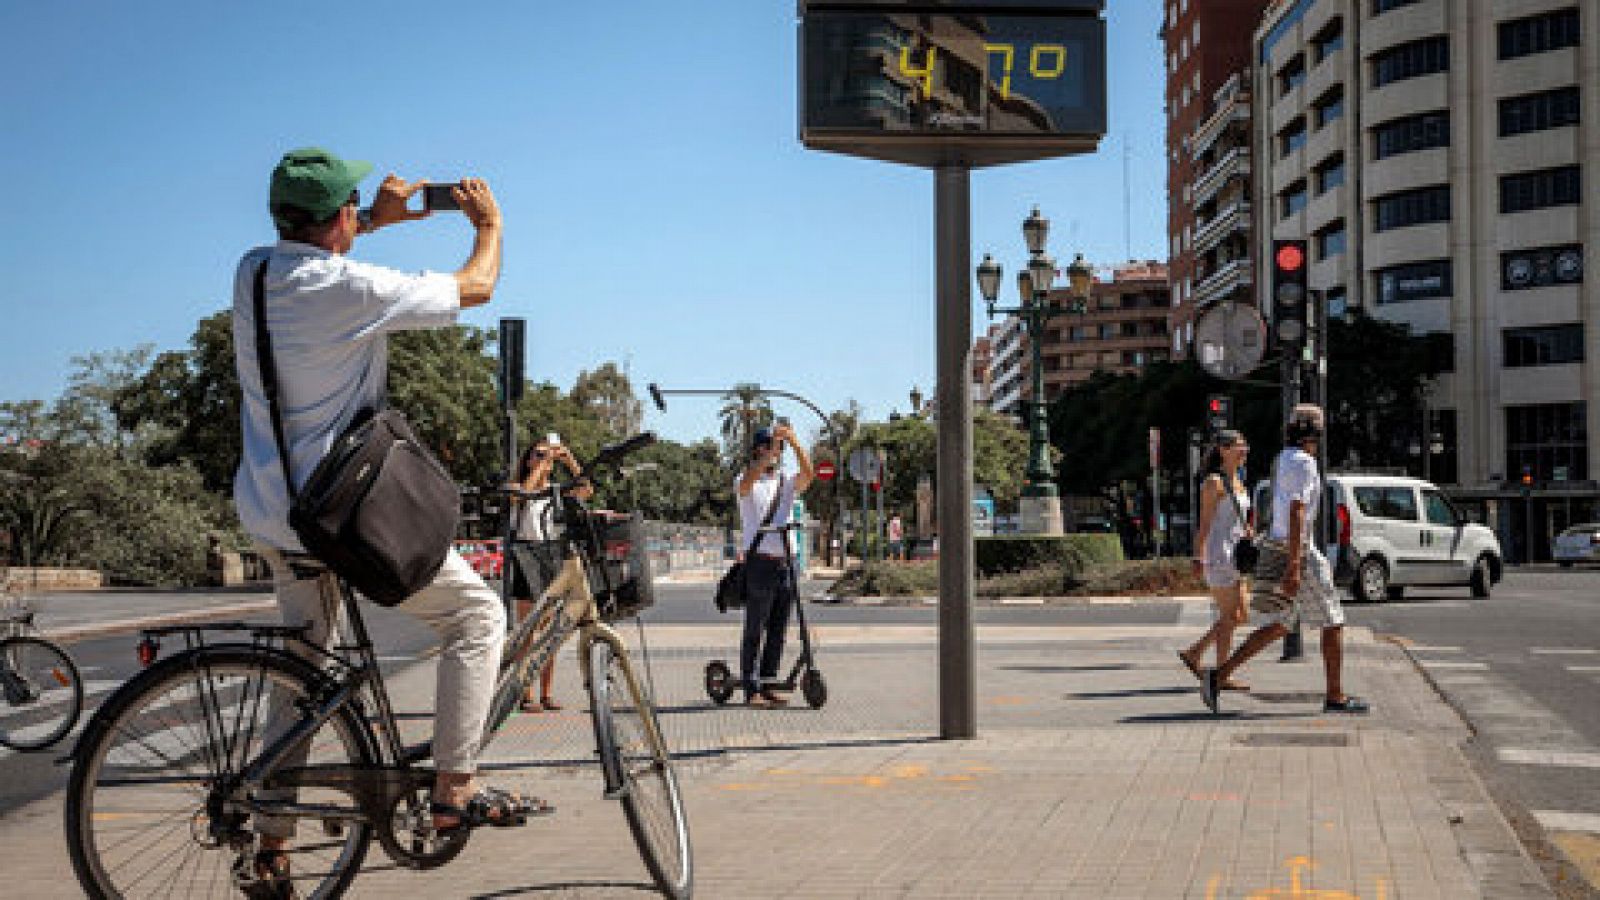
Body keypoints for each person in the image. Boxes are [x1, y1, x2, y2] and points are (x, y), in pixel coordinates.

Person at [233, 147, 541, 895]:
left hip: (275, 512)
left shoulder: (254, 271)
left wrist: (375, 221)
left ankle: (271, 846)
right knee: (475, 617)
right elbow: (477, 284)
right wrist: (490, 224)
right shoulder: (351, 287)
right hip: (344, 517)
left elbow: (320, 256)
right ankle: (452, 796)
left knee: (301, 678)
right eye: (352, 211)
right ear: (338, 216)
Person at [1199, 404, 1370, 716]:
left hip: (1280, 545)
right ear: (1314, 433)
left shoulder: (1283, 459)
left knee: (1280, 624)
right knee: (1333, 621)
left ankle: (1217, 676)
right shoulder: (1304, 463)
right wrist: (1294, 565)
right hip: (1298, 550)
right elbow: (1297, 510)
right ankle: (1335, 696)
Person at [507, 434, 589, 712]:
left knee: (549, 631)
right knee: (528, 630)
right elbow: (524, 496)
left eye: (546, 454)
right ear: (527, 460)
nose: (542, 458)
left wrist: (569, 459)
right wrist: (540, 468)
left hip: (550, 556)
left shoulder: (556, 490)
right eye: (536, 454)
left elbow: (586, 490)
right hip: (526, 554)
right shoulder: (518, 486)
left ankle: (546, 693)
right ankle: (525, 693)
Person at [735, 422, 815, 706]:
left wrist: (794, 441)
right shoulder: (746, 481)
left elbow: (809, 474)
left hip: (785, 562)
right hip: (760, 562)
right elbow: (746, 483)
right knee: (755, 627)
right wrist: (765, 458)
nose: (776, 452)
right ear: (758, 449)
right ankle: (751, 687)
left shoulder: (785, 482)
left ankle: (768, 681)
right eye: (770, 445)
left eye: (777, 447)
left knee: (779, 628)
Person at [1179, 430, 1252, 691]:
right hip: (1220, 555)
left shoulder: (1240, 480)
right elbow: (1205, 524)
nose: (1244, 451)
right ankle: (1220, 671)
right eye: (1239, 446)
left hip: (1237, 556)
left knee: (1239, 615)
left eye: (1245, 446)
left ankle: (1197, 653)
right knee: (1231, 616)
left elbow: (1237, 520)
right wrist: (1198, 556)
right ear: (1223, 449)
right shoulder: (1214, 483)